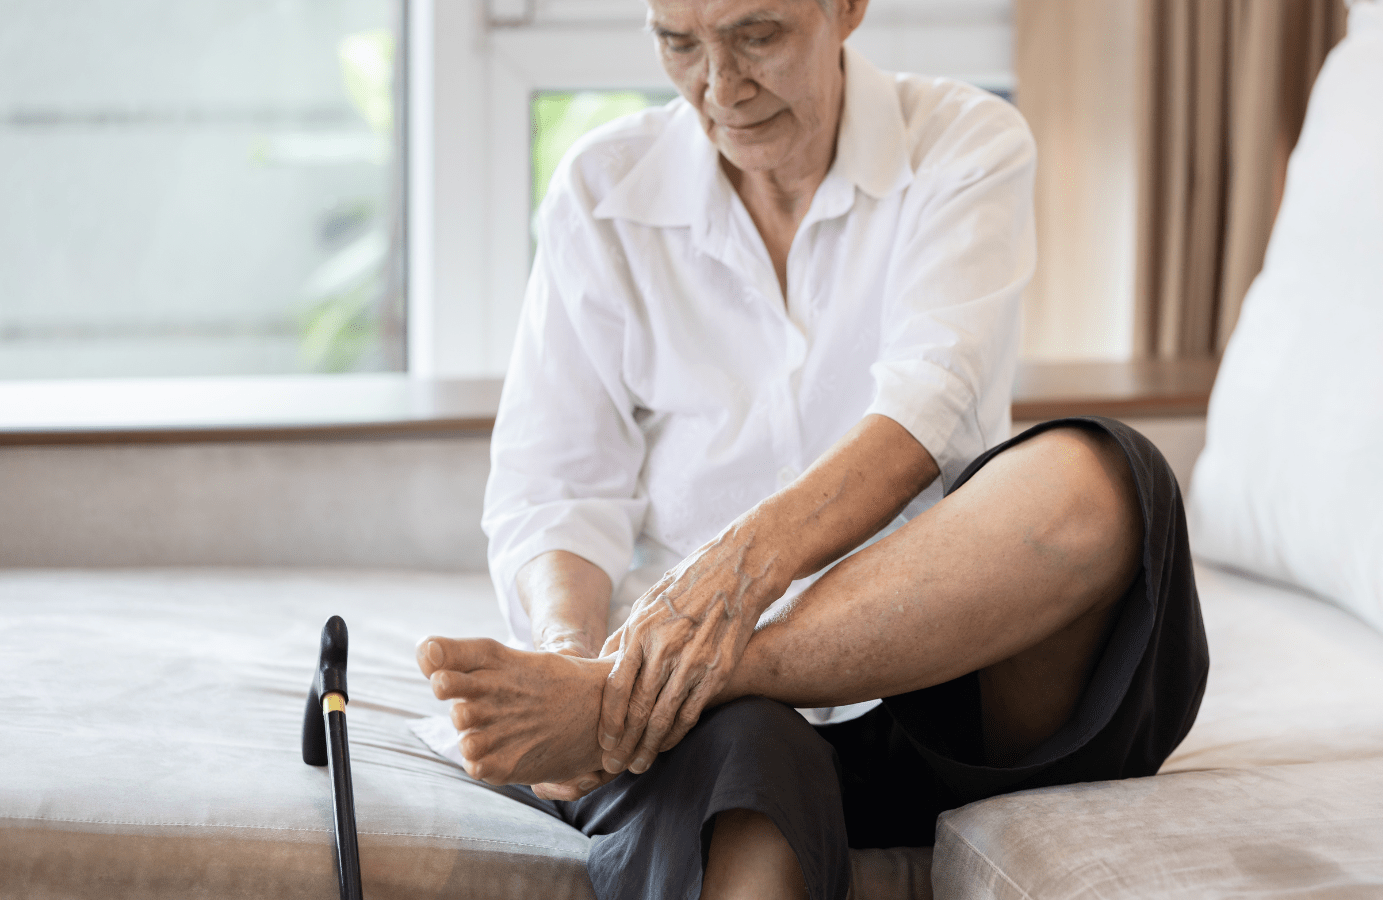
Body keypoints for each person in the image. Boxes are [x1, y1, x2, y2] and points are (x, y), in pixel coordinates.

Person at [417, 1, 1209, 898]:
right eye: (679, 44)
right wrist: (567, 649)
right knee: (750, 752)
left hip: (946, 686)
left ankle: (635, 696)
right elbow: (555, 484)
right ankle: (650, 693)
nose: (720, 88)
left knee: (1102, 477)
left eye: (758, 37)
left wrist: (705, 610)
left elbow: (926, 413)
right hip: (720, 742)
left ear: (846, 9)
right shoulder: (604, 191)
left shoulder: (963, 141)